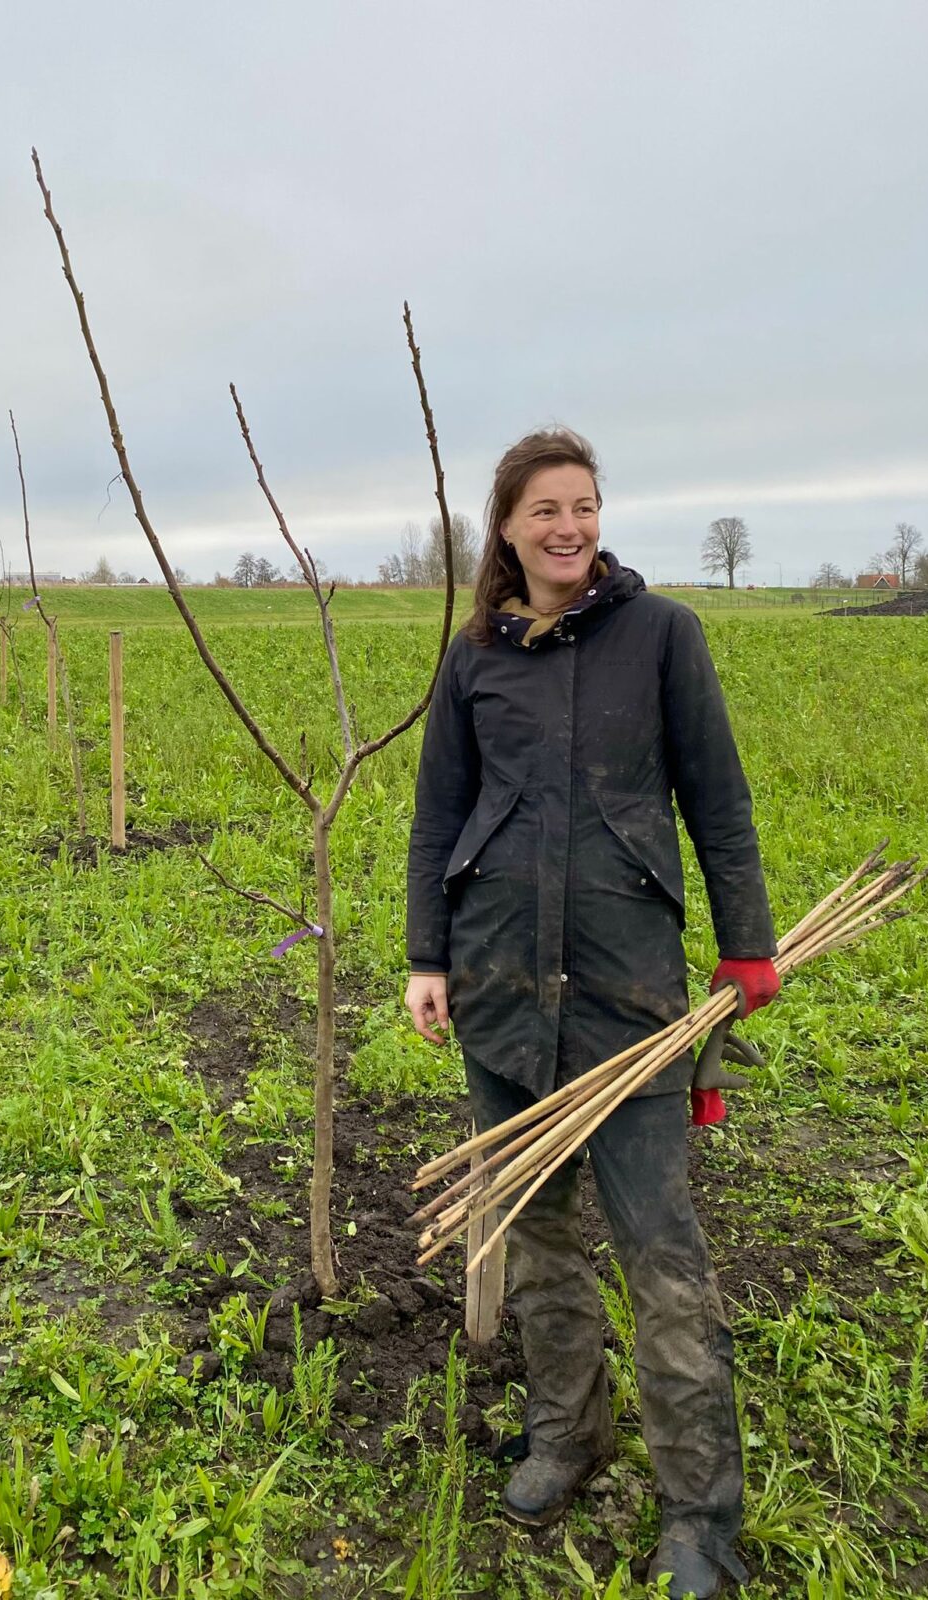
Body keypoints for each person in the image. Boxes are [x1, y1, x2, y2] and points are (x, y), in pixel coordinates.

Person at [404, 428, 779, 1600]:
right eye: (545, 510)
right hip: (502, 995)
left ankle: (699, 1517)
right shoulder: (474, 660)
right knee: (538, 1244)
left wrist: (747, 945)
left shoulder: (664, 636)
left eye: (586, 506)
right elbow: (438, 814)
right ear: (506, 530)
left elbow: (717, 797)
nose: (569, 527)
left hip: (629, 1002)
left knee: (664, 1259)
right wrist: (428, 955)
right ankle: (568, 1435)